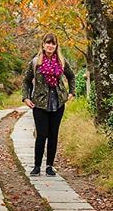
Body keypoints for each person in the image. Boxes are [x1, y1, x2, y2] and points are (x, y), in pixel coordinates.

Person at [22, 32, 75, 177]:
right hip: (39, 104)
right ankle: (37, 166)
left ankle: (50, 166)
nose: (50, 46)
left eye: (53, 43)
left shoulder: (62, 62)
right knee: (41, 135)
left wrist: (71, 93)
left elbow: (71, 77)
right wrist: (25, 98)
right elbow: (26, 81)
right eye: (48, 43)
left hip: (58, 103)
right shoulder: (35, 63)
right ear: (43, 45)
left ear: (56, 45)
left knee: (53, 135)